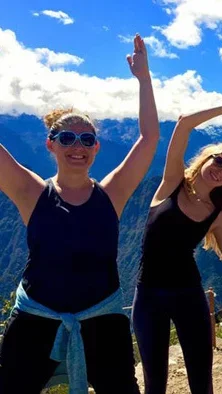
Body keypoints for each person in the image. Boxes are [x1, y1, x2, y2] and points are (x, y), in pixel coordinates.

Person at [0, 34, 159, 393]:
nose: (77, 146)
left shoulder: (112, 194)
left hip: (102, 320)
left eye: (87, 139)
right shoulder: (30, 192)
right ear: (50, 144)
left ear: (96, 148)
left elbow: (149, 139)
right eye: (67, 138)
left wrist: (144, 79)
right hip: (35, 320)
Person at [132, 102, 222, 394]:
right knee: (153, 383)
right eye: (220, 162)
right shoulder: (172, 183)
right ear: (208, 156)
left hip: (189, 296)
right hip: (149, 297)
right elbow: (183, 124)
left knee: (201, 383)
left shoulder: (215, 216)